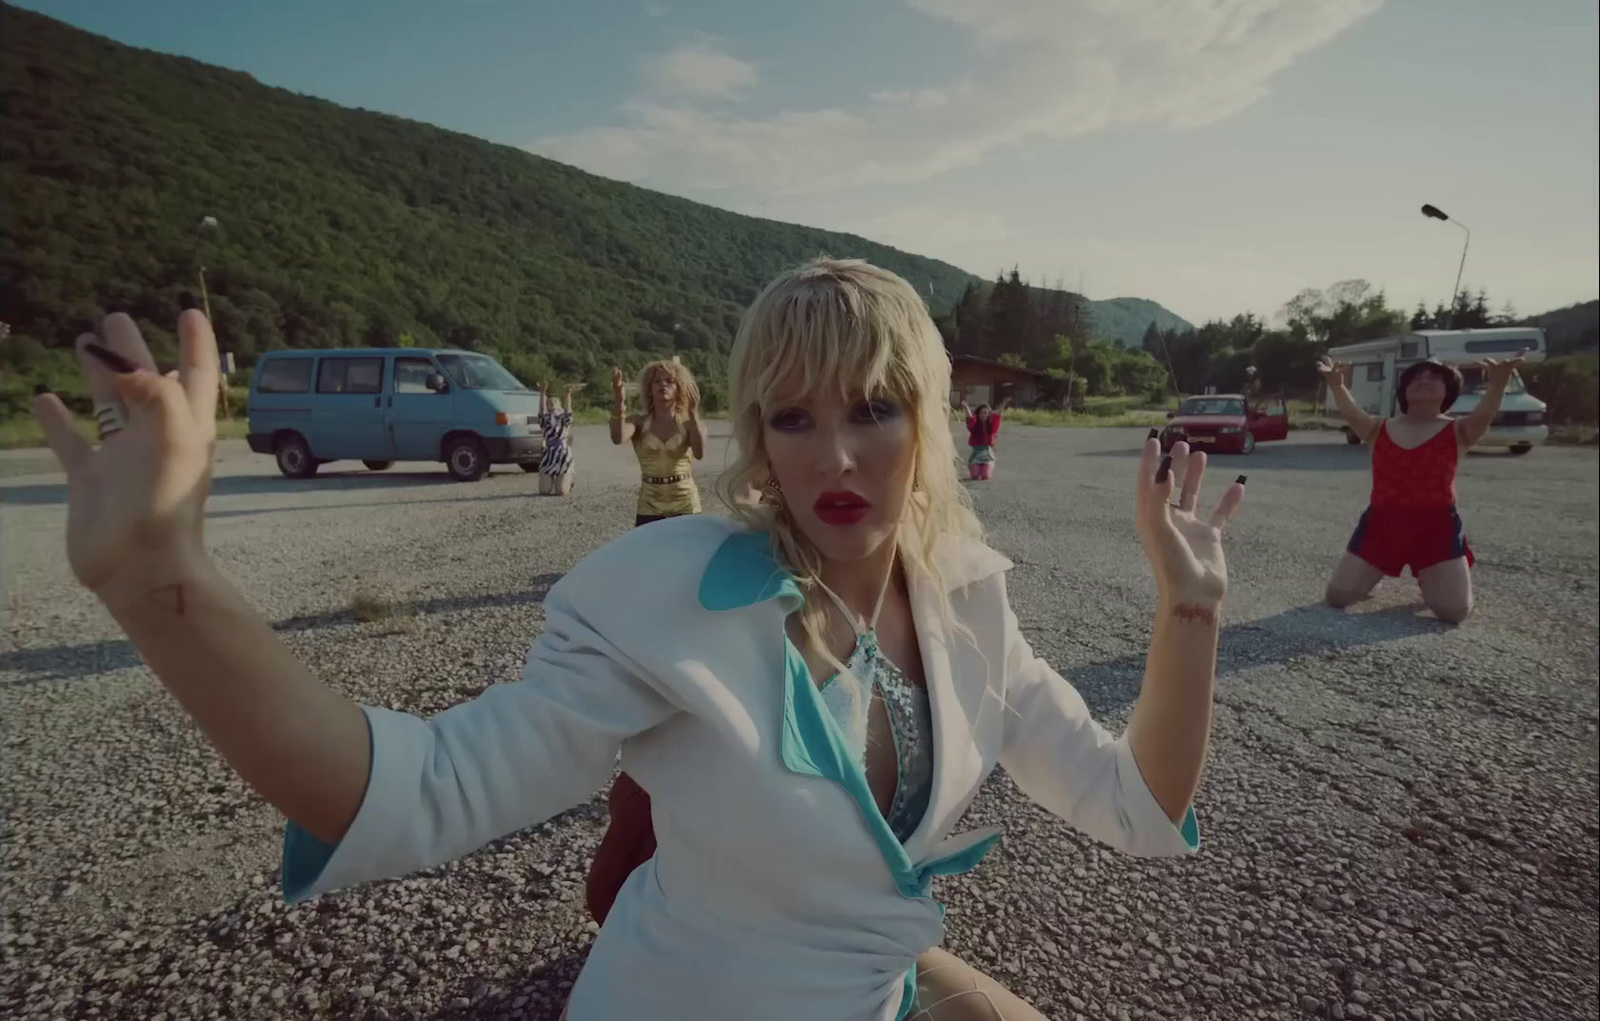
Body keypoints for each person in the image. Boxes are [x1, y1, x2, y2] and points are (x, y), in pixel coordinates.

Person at [35, 261, 1243, 1021]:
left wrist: (1187, 614)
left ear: (931, 418)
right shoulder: (664, 594)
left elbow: (1134, 804)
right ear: (752, 431)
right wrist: (164, 582)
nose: (833, 454)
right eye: (792, 415)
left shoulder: (970, 596)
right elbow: (418, 788)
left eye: (874, 407)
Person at [1320, 353, 1522, 624]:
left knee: (1453, 613)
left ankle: (1433, 579)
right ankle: (1373, 577)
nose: (1423, 381)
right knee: (1337, 597)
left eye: (1433, 378)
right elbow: (1351, 411)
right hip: (1381, 524)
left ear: (1448, 390)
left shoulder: (1460, 430)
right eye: (1416, 378)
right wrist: (1336, 385)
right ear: (1403, 390)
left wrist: (1497, 385)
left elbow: (1485, 414)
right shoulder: (1378, 428)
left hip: (1436, 528)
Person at [609, 359, 707, 527]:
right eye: (657, 381)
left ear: (679, 388)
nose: (663, 384)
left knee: (688, 551)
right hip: (650, 503)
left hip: (685, 500)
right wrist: (619, 402)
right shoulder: (639, 422)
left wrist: (694, 413)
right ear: (650, 388)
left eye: (670, 381)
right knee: (648, 552)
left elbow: (700, 454)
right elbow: (618, 438)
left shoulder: (690, 423)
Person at [536, 381, 578, 496]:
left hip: (562, 454)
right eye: (550, 402)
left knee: (561, 491)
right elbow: (541, 411)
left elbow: (569, 411)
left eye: (555, 401)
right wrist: (542, 393)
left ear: (560, 405)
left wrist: (568, 394)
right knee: (544, 491)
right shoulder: (545, 419)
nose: (552, 403)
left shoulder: (563, 419)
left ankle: (567, 481)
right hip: (548, 454)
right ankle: (552, 480)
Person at [958, 397, 1009, 481]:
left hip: (987, 453)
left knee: (985, 476)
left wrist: (1003, 405)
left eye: (985, 413)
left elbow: (998, 415)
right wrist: (966, 408)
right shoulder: (974, 425)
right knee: (974, 476)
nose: (983, 414)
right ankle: (976, 468)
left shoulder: (991, 425)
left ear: (988, 414)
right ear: (978, 414)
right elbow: (970, 418)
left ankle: (988, 467)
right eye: (981, 413)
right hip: (976, 453)